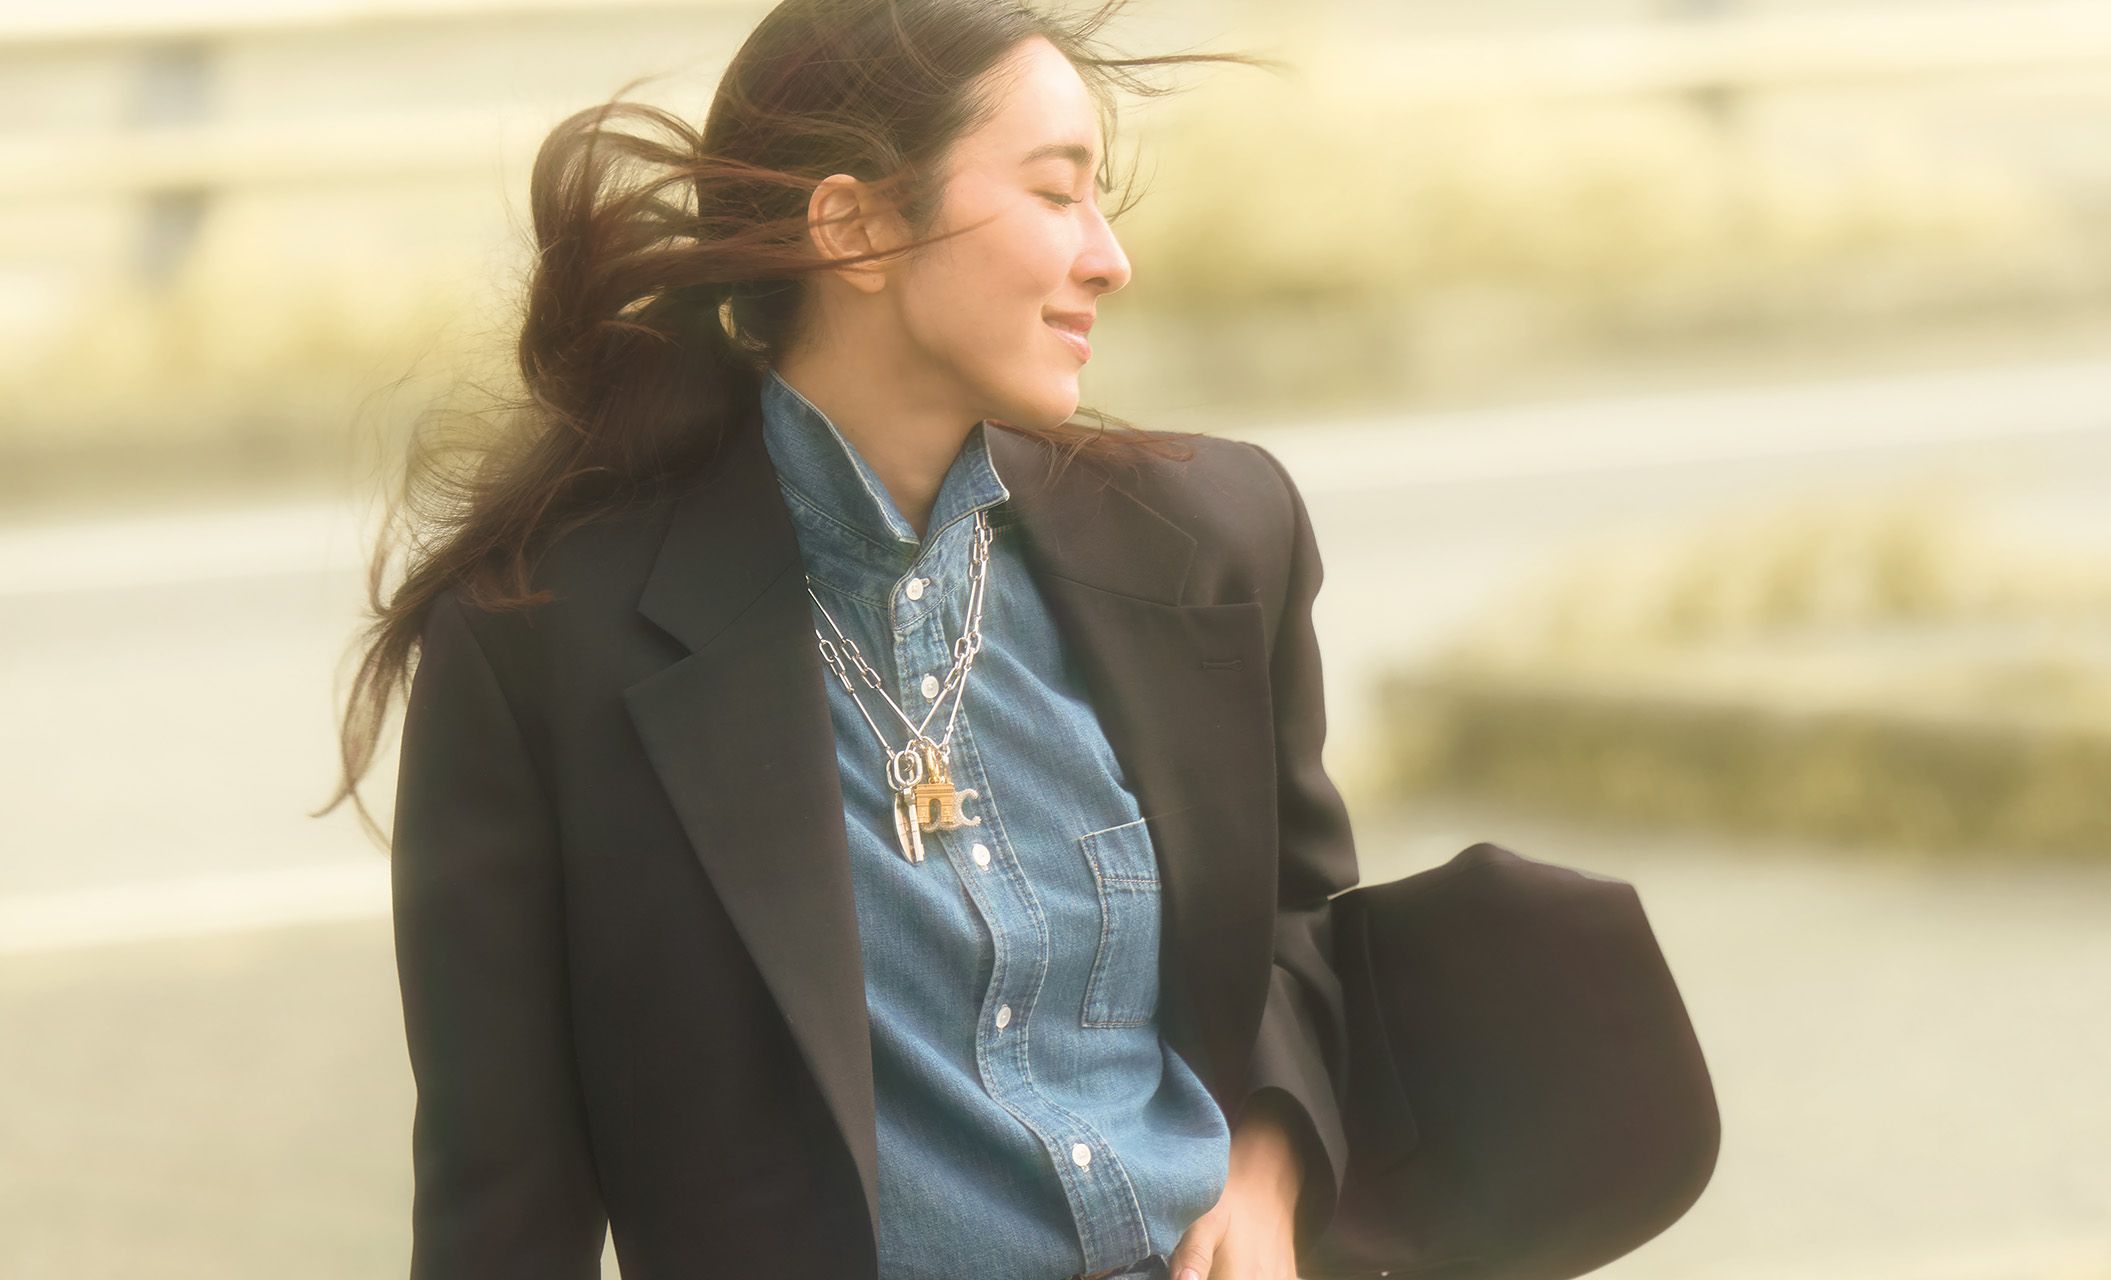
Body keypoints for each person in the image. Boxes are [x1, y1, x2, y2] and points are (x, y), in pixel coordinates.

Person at [320, 3, 1356, 1277]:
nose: (1108, 258)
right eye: (1054, 193)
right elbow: (503, 1205)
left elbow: (1300, 920)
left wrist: (1266, 1157)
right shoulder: (545, 640)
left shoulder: (1210, 537)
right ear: (854, 227)